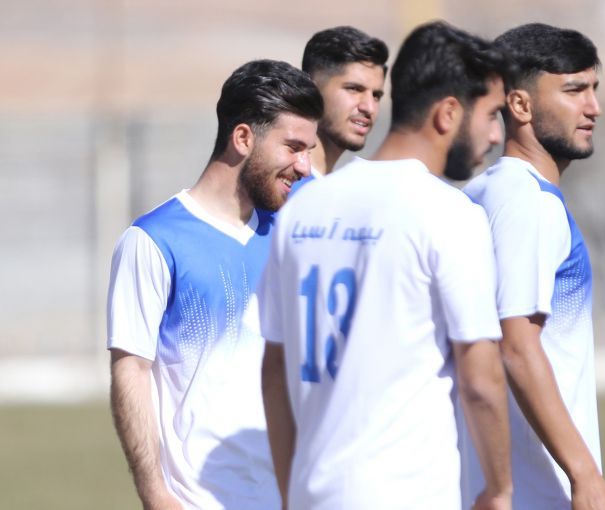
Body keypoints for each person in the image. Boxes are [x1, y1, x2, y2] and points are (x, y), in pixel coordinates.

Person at [258, 21, 512, 510]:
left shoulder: (303, 208)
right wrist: (500, 490)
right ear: (448, 113)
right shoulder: (449, 212)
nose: (497, 135)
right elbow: (481, 379)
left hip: (313, 494)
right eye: (491, 115)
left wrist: (292, 494)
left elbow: (273, 370)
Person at [106, 59, 323, 510]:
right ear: (243, 138)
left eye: (310, 150)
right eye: (293, 147)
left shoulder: (294, 232)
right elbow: (131, 371)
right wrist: (155, 494)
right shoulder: (153, 240)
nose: (305, 166)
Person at [460, 23, 605, 510]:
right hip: (538, 490)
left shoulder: (481, 192)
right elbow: (516, 344)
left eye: (593, 89)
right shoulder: (530, 204)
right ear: (520, 105)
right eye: (574, 91)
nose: (593, 107)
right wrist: (585, 476)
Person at [301, 25, 388, 176]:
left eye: (376, 95)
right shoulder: (281, 186)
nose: (369, 108)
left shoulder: (331, 185)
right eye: (354, 89)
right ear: (312, 89)